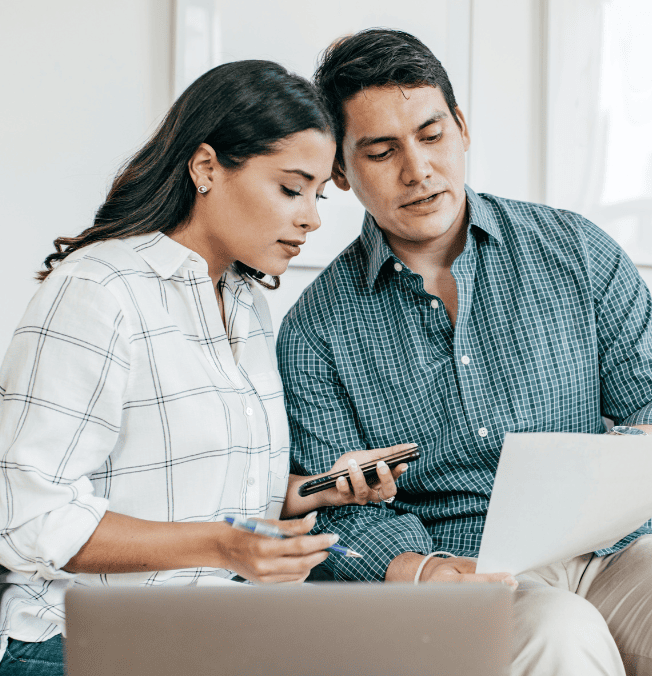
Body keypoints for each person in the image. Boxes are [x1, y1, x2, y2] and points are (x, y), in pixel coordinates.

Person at [277, 28, 652, 676]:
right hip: (466, 570)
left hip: (619, 549)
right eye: (382, 152)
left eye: (432, 134)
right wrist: (424, 571)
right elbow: (336, 520)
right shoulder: (314, 333)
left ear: (462, 126)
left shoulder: (576, 250)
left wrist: (638, 447)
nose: (418, 171)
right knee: (559, 633)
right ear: (340, 169)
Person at [0, 60, 411, 676]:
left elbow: (215, 500)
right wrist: (222, 547)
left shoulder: (247, 306)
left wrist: (313, 490)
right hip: (82, 640)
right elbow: (27, 517)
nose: (312, 218)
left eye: (318, 195)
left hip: (218, 631)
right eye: (291, 188)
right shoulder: (97, 291)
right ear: (206, 168)